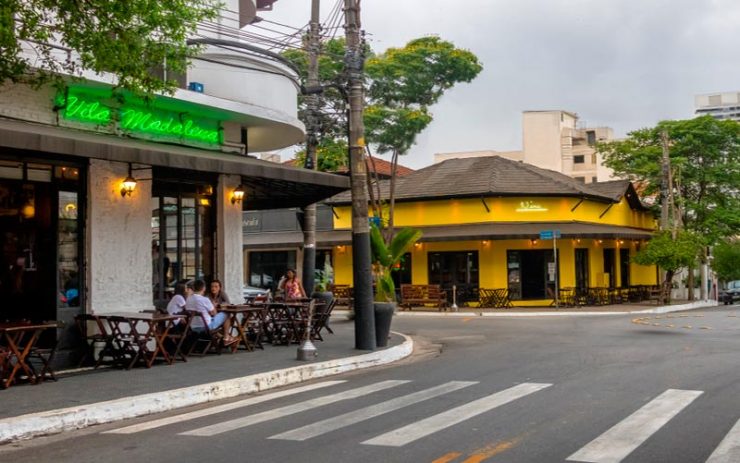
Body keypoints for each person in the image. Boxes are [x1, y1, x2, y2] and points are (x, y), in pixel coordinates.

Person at [185, 279, 236, 345]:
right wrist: (213, 306)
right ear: (204, 288)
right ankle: (226, 338)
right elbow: (214, 313)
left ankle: (221, 337)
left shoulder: (188, 299)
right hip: (206, 326)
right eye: (212, 286)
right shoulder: (204, 299)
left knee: (219, 318)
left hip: (193, 327)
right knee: (226, 314)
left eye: (216, 286)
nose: (213, 288)